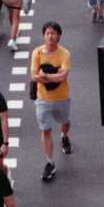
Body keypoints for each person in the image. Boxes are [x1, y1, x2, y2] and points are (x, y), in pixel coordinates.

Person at [30, 22, 72, 181]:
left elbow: (63, 77)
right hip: (43, 100)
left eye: (53, 33)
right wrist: (55, 74)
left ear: (59, 36)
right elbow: (33, 77)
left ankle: (64, 135)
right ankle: (50, 162)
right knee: (46, 131)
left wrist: (45, 76)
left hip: (61, 97)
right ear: (43, 35)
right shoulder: (37, 53)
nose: (50, 36)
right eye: (47, 33)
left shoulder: (64, 54)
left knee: (65, 122)